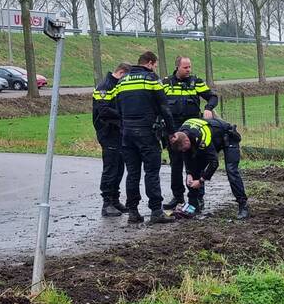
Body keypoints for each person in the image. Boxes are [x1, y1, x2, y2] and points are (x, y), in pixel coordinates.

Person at [113, 51, 177, 225]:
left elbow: (117, 109)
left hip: (127, 133)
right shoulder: (151, 80)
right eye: (155, 65)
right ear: (149, 63)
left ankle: (133, 212)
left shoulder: (122, 82)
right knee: (151, 172)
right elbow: (164, 107)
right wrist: (171, 132)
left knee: (132, 173)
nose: (155, 68)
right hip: (147, 132)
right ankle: (156, 211)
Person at [162, 56, 218, 210]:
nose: (189, 70)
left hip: (193, 131)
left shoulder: (195, 82)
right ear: (177, 67)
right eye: (185, 67)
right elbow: (158, 103)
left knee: (196, 164)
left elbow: (212, 96)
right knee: (176, 164)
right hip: (173, 130)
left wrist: (208, 108)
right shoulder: (166, 83)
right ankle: (177, 196)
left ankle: (197, 197)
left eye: (190, 67)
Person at [169, 117, 250, 220]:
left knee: (231, 170)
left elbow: (214, 163)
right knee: (194, 172)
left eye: (184, 148)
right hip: (212, 139)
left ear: (186, 141)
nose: (184, 151)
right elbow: (187, 155)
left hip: (228, 136)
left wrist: (201, 180)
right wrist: (189, 173)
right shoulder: (180, 134)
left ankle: (243, 205)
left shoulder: (202, 137)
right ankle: (193, 206)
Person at [92, 62, 132, 217]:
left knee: (119, 166)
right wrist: (124, 114)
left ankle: (115, 199)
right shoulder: (105, 86)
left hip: (118, 132)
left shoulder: (117, 85)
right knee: (110, 167)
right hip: (108, 132)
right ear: (121, 73)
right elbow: (103, 110)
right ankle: (107, 202)